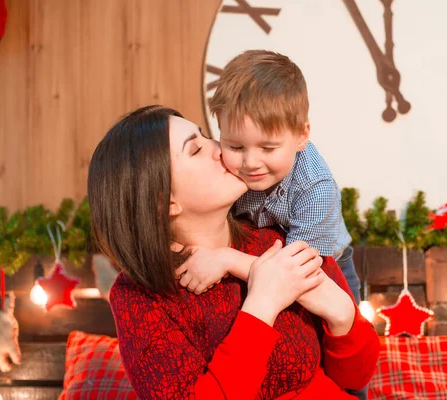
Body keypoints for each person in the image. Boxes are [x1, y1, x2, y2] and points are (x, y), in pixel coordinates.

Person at [87, 105, 379, 399]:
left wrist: (342, 317)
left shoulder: (280, 234)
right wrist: (263, 303)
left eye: (205, 135)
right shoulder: (138, 297)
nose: (218, 148)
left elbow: (355, 376)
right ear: (164, 202)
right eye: (195, 149)